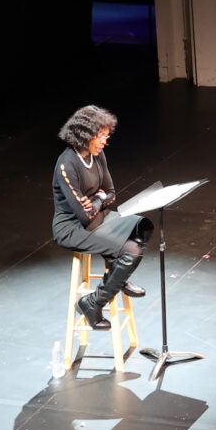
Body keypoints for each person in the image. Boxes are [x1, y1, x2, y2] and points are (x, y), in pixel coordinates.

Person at [52, 105, 153, 330]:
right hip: (73, 227)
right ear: (84, 136)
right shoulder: (66, 165)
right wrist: (100, 199)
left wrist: (97, 200)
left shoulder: (98, 155)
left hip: (98, 217)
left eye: (106, 137)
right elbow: (84, 215)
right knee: (132, 251)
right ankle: (94, 302)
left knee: (143, 226)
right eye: (100, 137)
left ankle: (117, 277)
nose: (104, 142)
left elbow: (111, 193)